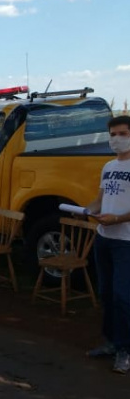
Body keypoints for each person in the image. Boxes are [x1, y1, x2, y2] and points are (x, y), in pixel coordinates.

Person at [84, 115, 130, 374]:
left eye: (123, 134)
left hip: (126, 242)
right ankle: (111, 342)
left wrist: (118, 219)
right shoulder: (108, 166)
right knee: (107, 294)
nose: (117, 139)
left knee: (124, 296)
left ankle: (125, 350)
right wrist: (86, 210)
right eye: (113, 134)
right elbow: (100, 199)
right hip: (104, 238)